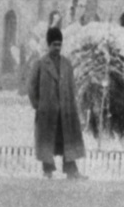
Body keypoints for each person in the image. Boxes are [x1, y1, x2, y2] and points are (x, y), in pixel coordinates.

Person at [28, 25, 86, 179]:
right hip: (47, 112)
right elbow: (32, 87)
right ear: (48, 45)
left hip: (65, 112)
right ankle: (47, 171)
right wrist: (38, 105)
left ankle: (71, 170)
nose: (57, 48)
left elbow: (72, 86)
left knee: (67, 140)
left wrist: (72, 106)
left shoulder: (66, 64)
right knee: (47, 141)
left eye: (60, 44)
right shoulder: (41, 64)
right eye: (54, 44)